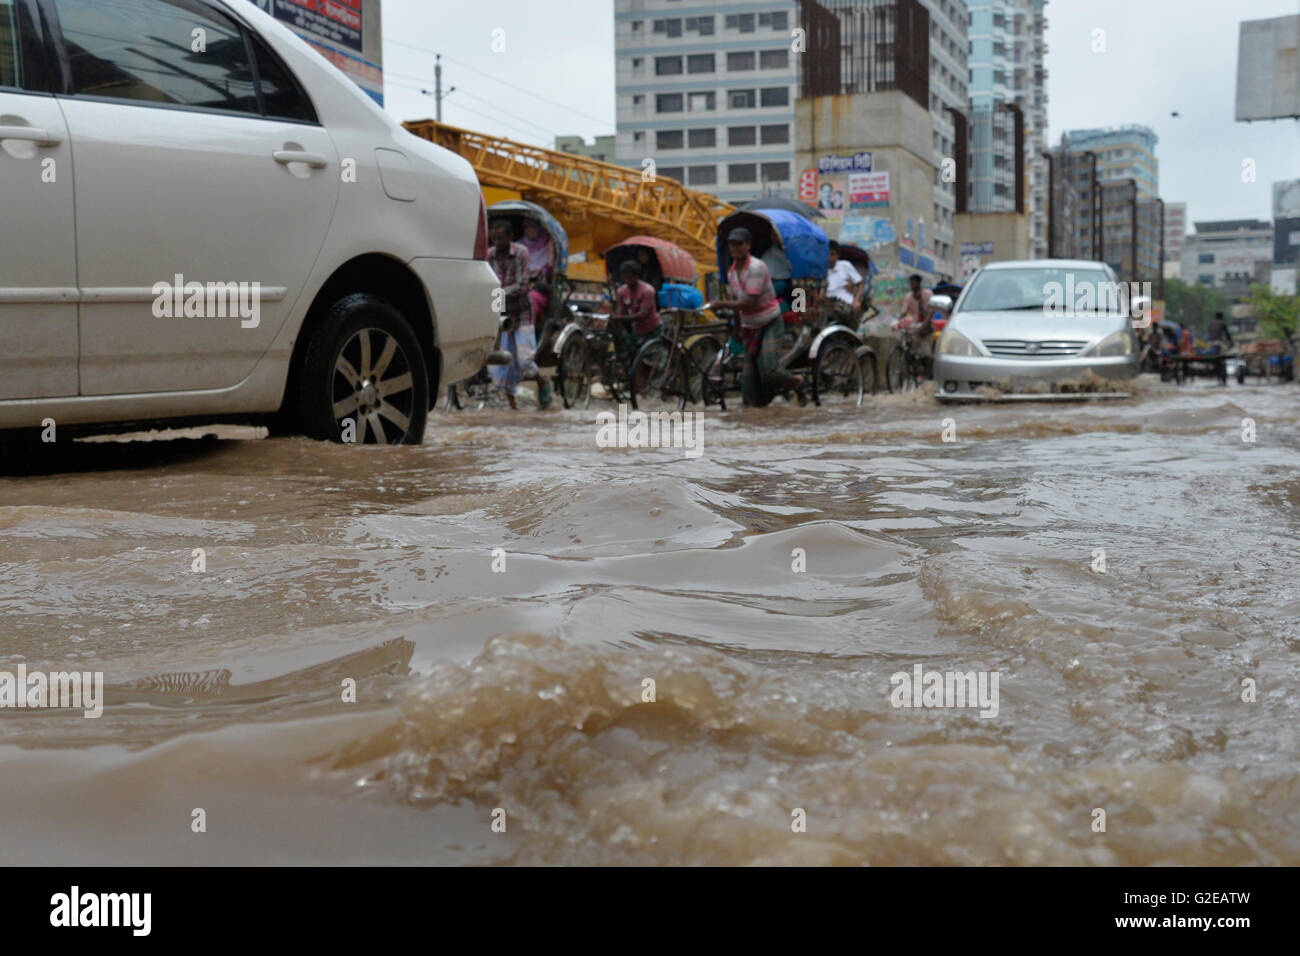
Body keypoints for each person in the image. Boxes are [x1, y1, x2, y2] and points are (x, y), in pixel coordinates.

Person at [706, 226, 803, 406]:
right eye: (732, 245)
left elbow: (748, 302)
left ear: (748, 245)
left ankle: (796, 380)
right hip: (750, 326)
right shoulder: (732, 273)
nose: (735, 248)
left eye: (739, 244)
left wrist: (720, 304)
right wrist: (736, 331)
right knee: (748, 393)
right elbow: (737, 304)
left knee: (769, 369)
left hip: (770, 321)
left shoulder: (757, 267)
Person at [487, 219, 551, 409]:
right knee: (503, 362)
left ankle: (542, 382)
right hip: (500, 313)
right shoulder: (490, 255)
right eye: (494, 238)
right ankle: (513, 409)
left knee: (524, 360)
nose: (497, 242)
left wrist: (499, 292)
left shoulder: (521, 253)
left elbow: (523, 285)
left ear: (510, 237)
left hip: (522, 312)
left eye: (500, 238)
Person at [610, 260, 663, 360]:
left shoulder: (647, 291)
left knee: (650, 360)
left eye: (630, 277)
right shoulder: (622, 291)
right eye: (625, 278)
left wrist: (620, 318)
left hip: (652, 328)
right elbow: (622, 312)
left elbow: (642, 315)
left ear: (636, 276)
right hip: (637, 330)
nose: (627, 281)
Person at [520, 217, 556, 325]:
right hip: (516, 287)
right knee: (497, 298)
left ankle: (527, 333)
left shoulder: (547, 245)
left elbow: (550, 271)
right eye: (525, 227)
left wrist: (551, 252)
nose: (528, 230)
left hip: (538, 289)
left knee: (530, 299)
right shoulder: (518, 247)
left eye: (531, 226)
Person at [899, 274, 935, 375]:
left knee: (927, 354)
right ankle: (912, 373)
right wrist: (899, 321)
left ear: (919, 284)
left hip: (927, 328)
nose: (912, 285)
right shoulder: (908, 297)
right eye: (911, 283)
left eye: (914, 283)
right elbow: (904, 311)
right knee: (910, 351)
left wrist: (926, 323)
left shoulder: (928, 294)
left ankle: (926, 377)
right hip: (915, 328)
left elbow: (932, 310)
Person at [826, 241, 865, 324]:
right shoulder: (821, 269)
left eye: (832, 254)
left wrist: (857, 300)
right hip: (827, 303)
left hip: (844, 302)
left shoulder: (845, 265)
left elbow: (860, 283)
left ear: (838, 256)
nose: (829, 257)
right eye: (827, 254)